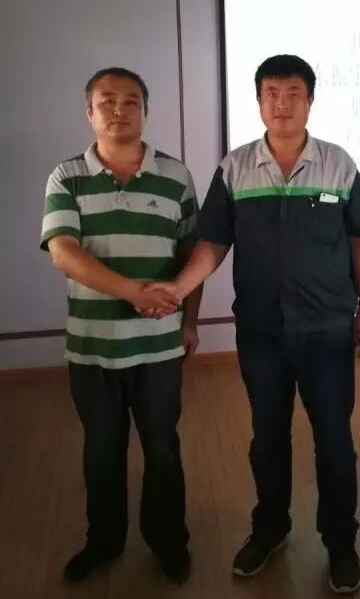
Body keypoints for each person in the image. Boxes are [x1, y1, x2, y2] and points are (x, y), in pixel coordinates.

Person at [151, 54, 360, 593]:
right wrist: (178, 290)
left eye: (294, 93)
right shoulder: (234, 168)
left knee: (334, 439)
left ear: (310, 101)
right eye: (272, 93)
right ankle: (270, 529)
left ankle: (341, 544)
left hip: (327, 329)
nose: (283, 103)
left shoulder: (339, 165)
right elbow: (212, 243)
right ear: (258, 102)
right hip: (261, 331)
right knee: (268, 436)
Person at [40, 67, 201, 584]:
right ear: (89, 112)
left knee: (163, 450)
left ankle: (168, 542)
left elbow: (191, 255)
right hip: (93, 348)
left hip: (159, 347)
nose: (119, 109)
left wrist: (190, 321)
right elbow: (64, 253)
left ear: (145, 111)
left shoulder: (176, 176)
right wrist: (134, 292)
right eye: (106, 100)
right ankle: (104, 542)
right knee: (102, 451)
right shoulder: (67, 176)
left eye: (131, 101)